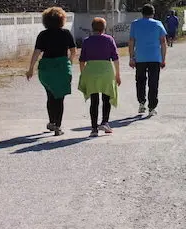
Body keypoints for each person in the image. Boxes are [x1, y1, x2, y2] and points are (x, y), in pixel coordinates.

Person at [26, 7, 76, 136]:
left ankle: (52, 121)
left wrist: (30, 69)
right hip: (62, 67)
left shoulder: (43, 35)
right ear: (62, 19)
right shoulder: (66, 33)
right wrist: (69, 62)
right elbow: (73, 51)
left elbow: (37, 52)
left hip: (46, 68)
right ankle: (57, 126)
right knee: (59, 98)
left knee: (50, 95)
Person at [78, 17, 121, 137]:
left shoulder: (87, 41)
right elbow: (116, 58)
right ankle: (105, 122)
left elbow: (82, 60)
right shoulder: (109, 39)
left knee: (94, 100)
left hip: (91, 71)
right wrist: (117, 74)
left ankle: (94, 128)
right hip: (106, 71)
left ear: (92, 28)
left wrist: (83, 74)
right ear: (104, 28)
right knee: (106, 98)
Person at [129, 4, 167, 116]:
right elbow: (163, 43)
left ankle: (141, 102)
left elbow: (131, 42)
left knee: (140, 81)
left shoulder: (135, 24)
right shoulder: (158, 24)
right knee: (153, 82)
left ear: (142, 13)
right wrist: (163, 59)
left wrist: (131, 58)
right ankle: (152, 107)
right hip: (155, 57)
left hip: (140, 57)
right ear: (153, 13)